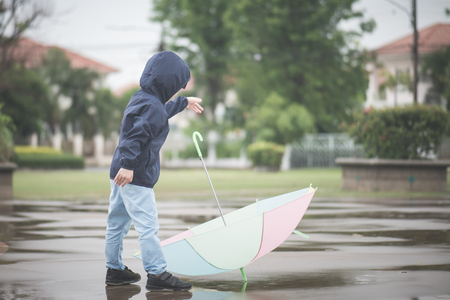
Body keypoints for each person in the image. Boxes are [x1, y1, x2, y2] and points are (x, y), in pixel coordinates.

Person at [104, 51, 203, 291]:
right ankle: (157, 274)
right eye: (178, 87)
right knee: (148, 227)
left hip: (119, 172)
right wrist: (129, 167)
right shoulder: (154, 108)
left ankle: (114, 269)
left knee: (116, 223)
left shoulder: (142, 98)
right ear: (168, 83)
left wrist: (184, 102)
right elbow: (135, 137)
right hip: (134, 176)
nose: (177, 91)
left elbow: (158, 113)